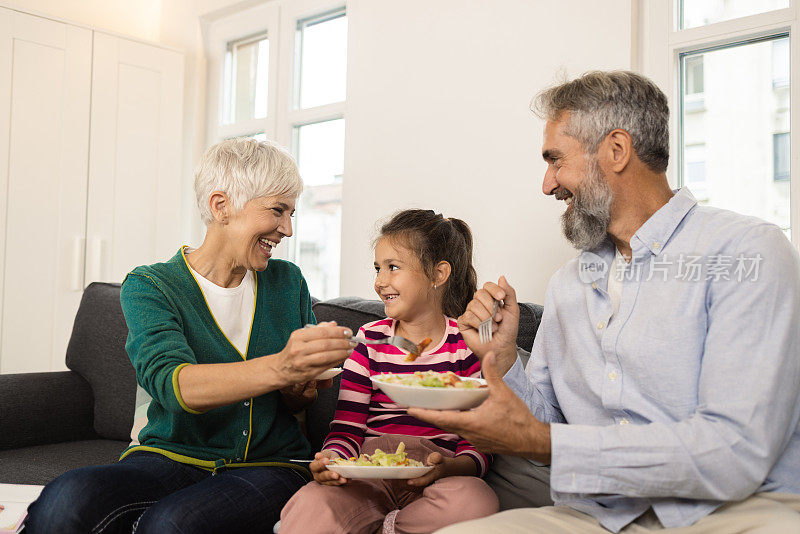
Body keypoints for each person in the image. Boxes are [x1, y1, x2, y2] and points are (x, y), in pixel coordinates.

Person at [410, 71, 800, 533]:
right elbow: (548, 420)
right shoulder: (568, 284)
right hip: (601, 517)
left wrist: (548, 443)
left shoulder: (745, 252)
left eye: (556, 160)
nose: (547, 183)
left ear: (616, 150)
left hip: (731, 512)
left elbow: (735, 451)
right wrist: (504, 359)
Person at [26, 138, 355, 533]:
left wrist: (302, 380)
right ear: (221, 206)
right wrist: (282, 366)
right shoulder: (152, 286)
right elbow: (173, 385)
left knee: (172, 524)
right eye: (277, 211)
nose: (286, 228)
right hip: (168, 456)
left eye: (291, 214)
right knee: (66, 497)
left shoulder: (288, 282)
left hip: (271, 465)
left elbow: (299, 401)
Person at [280, 209, 499, 533]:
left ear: (438, 274)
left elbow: (478, 443)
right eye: (378, 269)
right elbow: (346, 430)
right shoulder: (368, 341)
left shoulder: (467, 346)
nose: (380, 282)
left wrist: (447, 468)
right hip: (370, 472)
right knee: (314, 503)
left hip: (438, 474)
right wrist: (331, 459)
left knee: (477, 501)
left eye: (393, 268)